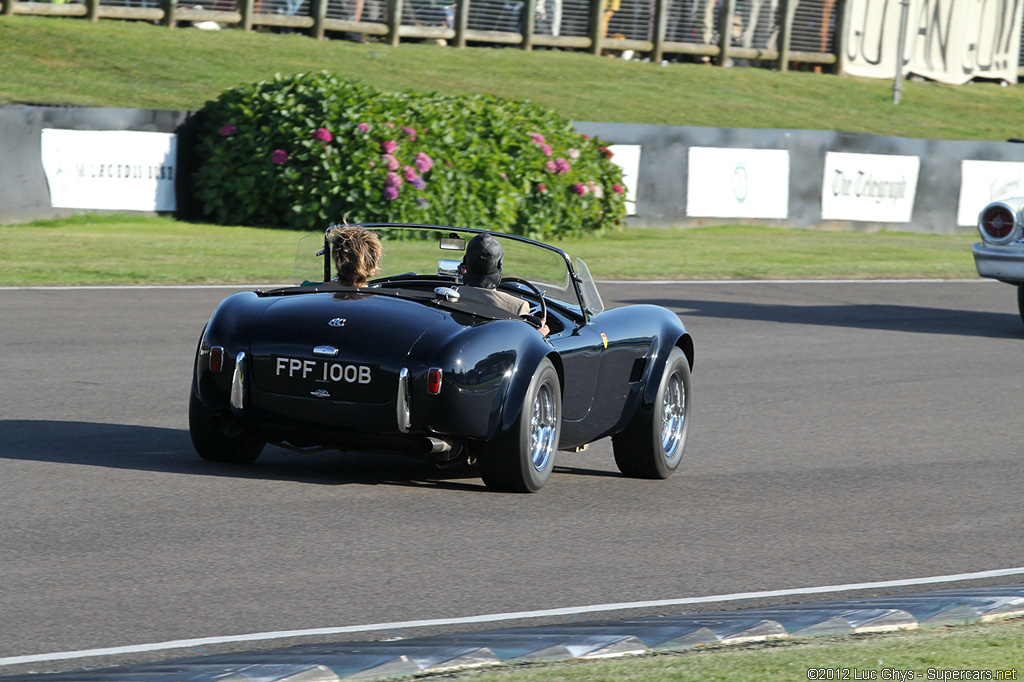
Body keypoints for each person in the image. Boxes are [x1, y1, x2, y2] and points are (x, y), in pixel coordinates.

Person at [459, 233, 549, 336]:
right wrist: (538, 335)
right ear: (500, 263)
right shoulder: (517, 307)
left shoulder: (445, 295)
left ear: (466, 262)